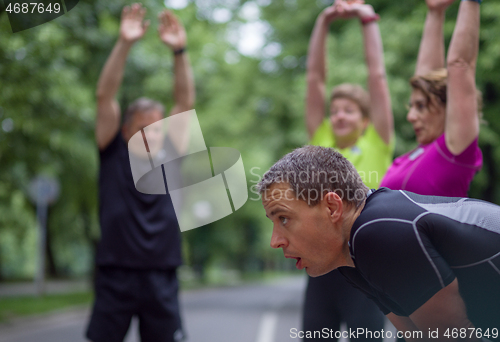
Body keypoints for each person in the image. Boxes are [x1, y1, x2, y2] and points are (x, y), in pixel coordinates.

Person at [257, 145, 500, 341]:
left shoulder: (376, 232)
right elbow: (418, 336)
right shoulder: (350, 255)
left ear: (332, 208)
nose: (274, 241)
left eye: (284, 219)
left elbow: (451, 338)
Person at [86, 4, 194, 342]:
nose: (152, 134)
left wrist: (179, 51)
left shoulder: (170, 154)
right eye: (143, 128)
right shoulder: (113, 150)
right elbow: (105, 96)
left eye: (158, 128)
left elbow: (185, 101)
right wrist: (124, 43)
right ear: (125, 130)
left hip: (161, 272)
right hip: (115, 272)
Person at [302, 0, 393, 339]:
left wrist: (367, 20)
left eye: (349, 110)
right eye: (335, 109)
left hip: (366, 263)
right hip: (321, 261)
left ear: (365, 120)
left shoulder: (377, 142)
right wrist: (324, 20)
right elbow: (314, 77)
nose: (339, 115)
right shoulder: (322, 138)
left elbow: (377, 76)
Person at [380, 0, 482, 197]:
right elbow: (426, 78)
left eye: (420, 107)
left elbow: (461, 65)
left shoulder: (453, 150)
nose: (410, 116)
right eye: (412, 106)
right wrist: (435, 12)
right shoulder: (415, 155)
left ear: (449, 107)